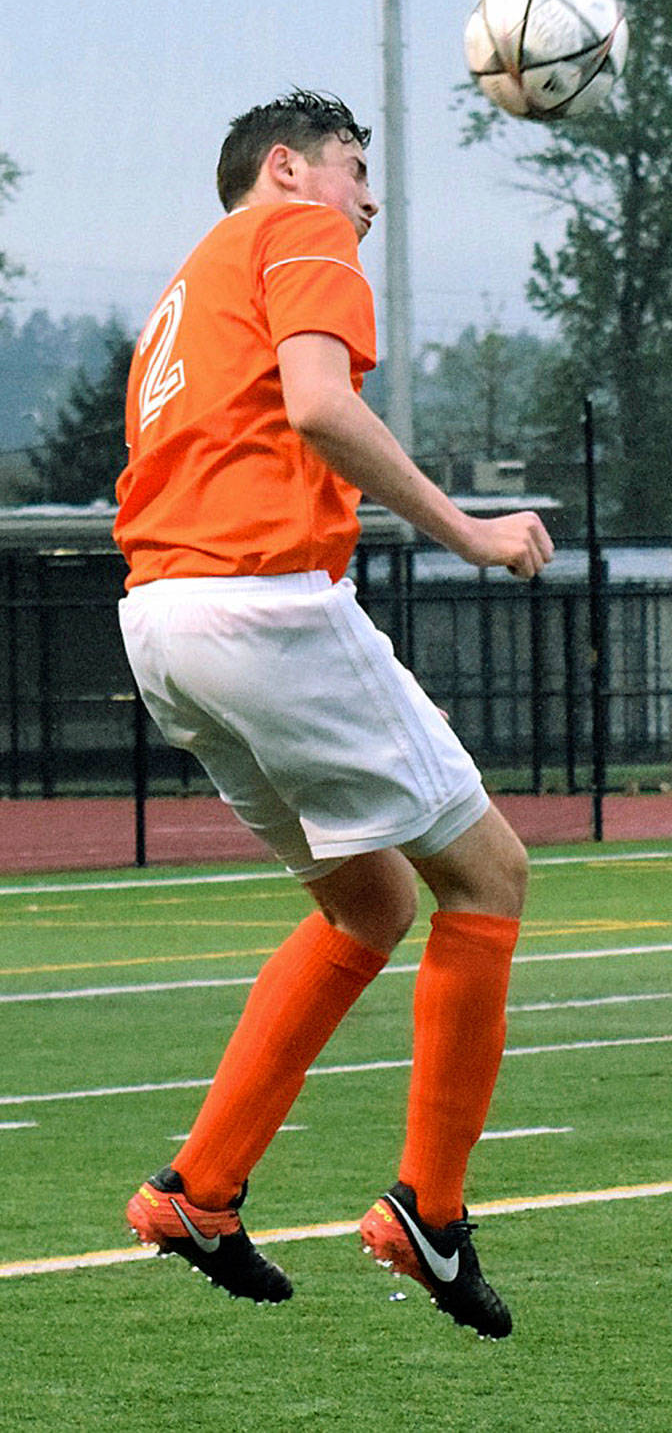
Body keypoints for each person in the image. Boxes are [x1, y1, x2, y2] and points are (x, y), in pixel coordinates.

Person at [115, 90, 553, 1336]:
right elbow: (317, 402)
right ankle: (432, 1210)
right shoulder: (298, 230)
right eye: (357, 167)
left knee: (370, 900)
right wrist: (465, 526)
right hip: (262, 608)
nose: (370, 197)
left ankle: (198, 1187)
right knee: (491, 874)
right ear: (287, 167)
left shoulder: (183, 287)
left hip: (162, 620)